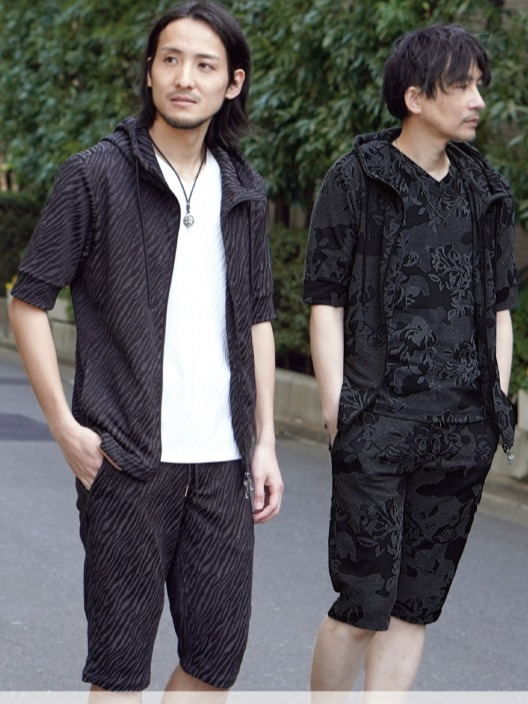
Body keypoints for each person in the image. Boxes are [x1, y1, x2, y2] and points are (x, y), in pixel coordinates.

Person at [8, 2, 283, 701]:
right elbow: (28, 300)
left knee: (214, 663)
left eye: (205, 65)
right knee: (120, 669)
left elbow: (257, 318)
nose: (185, 78)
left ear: (233, 83)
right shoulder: (95, 175)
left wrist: (265, 443)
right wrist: (64, 427)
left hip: (222, 463)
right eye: (171, 60)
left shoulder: (244, 190)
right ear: (150, 72)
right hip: (127, 460)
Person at [303, 23, 517, 701]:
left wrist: (495, 404)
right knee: (362, 603)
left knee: (415, 605)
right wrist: (338, 407)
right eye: (462, 85)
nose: (478, 99)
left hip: (461, 431)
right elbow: (325, 298)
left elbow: (501, 307)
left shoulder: (486, 188)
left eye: (479, 84)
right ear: (416, 97)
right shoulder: (357, 178)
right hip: (378, 423)